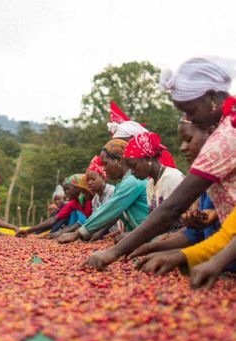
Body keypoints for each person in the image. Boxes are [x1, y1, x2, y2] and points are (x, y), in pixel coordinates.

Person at [86, 56, 236, 270]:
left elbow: (171, 209)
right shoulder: (228, 127)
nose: (191, 119)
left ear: (211, 97)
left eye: (191, 111)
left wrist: (115, 252)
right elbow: (205, 231)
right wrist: (163, 249)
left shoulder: (223, 140)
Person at [129, 118, 219, 258]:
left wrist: (179, 255)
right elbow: (196, 233)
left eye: (188, 140)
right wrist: (154, 246)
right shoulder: (206, 179)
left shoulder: (173, 178)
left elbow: (169, 215)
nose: (182, 147)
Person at [57, 139, 148, 243]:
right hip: (140, 236)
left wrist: (78, 233)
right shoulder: (122, 183)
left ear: (119, 160)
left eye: (106, 164)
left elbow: (111, 209)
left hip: (149, 237)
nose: (104, 169)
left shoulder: (132, 182)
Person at [138, 206, 236, 288]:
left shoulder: (211, 185)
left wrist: (217, 262)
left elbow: (169, 209)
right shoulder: (208, 192)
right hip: (218, 267)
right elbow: (196, 233)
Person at [122, 132, 184, 213]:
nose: (132, 172)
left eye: (133, 166)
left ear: (148, 158)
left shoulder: (172, 178)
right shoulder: (150, 184)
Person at [16, 174, 93, 237]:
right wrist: (28, 231)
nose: (65, 192)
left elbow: (79, 223)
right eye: (64, 189)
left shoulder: (89, 200)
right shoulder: (74, 203)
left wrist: (58, 234)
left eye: (68, 189)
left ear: (78, 188)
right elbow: (54, 219)